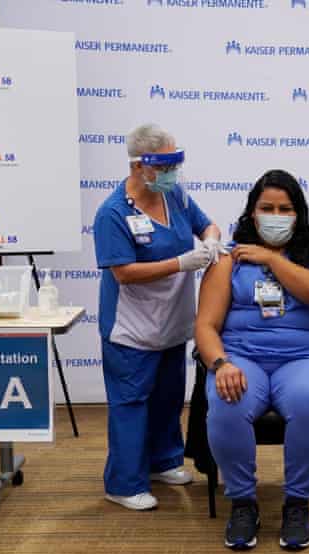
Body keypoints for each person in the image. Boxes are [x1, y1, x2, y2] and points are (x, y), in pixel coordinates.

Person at [195, 169, 309, 550]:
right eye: (267, 208)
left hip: (305, 355)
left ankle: (297, 503)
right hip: (243, 356)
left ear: (299, 213)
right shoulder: (228, 259)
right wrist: (221, 364)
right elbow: (206, 326)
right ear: (251, 212)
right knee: (226, 401)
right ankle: (243, 503)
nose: (275, 215)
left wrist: (273, 260)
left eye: (285, 208)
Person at [93, 123, 225, 511]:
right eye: (163, 166)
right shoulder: (113, 212)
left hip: (172, 322)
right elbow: (123, 272)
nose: (171, 173)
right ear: (138, 166)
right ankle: (123, 482)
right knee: (131, 403)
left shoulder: (176, 196)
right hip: (131, 329)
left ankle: (164, 460)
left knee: (168, 399)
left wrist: (211, 241)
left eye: (174, 164)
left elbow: (208, 224)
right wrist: (182, 263)